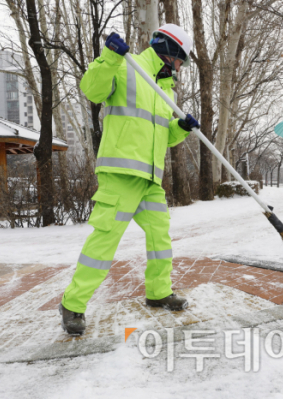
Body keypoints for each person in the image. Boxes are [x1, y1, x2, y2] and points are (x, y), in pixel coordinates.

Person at [59, 24, 199, 335]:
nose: (180, 68)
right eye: (180, 61)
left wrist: (181, 127)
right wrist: (109, 57)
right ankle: (73, 304)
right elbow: (91, 89)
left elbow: (162, 137)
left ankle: (158, 291)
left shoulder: (167, 91)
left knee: (160, 240)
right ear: (170, 52)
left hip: (150, 180)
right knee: (104, 243)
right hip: (121, 176)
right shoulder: (126, 66)